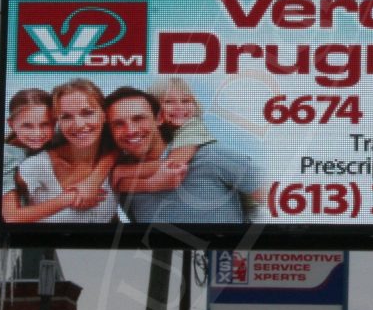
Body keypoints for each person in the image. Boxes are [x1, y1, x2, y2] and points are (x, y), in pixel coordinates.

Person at [104, 84, 262, 224]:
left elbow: (273, 198)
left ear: (159, 118)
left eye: (139, 118)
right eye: (118, 124)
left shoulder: (211, 156)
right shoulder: (117, 183)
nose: (131, 130)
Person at [3, 79, 118, 223]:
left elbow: (116, 147)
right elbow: (11, 216)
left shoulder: (61, 135)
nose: (79, 125)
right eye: (66, 116)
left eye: (87, 113)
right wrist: (71, 196)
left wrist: (94, 180)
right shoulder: (11, 158)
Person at [109, 77, 214, 195]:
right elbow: (119, 184)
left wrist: (123, 171)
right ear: (157, 112)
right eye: (168, 101)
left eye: (186, 101)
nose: (179, 107)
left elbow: (174, 163)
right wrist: (150, 184)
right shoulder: (153, 137)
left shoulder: (193, 126)